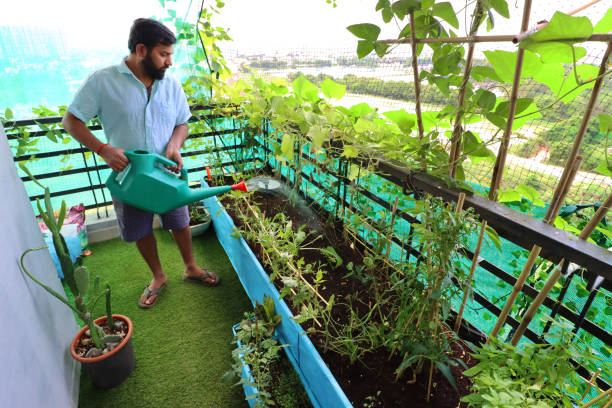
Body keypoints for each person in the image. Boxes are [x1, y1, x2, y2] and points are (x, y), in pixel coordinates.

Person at [62, 18, 219, 309]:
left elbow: (182, 122)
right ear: (142, 49)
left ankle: (190, 267)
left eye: (171, 55)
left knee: (180, 221)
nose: (169, 62)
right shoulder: (103, 81)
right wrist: (104, 149)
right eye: (164, 54)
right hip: (129, 176)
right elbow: (71, 121)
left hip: (166, 172)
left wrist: (174, 145)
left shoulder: (170, 83)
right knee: (140, 229)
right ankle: (158, 277)